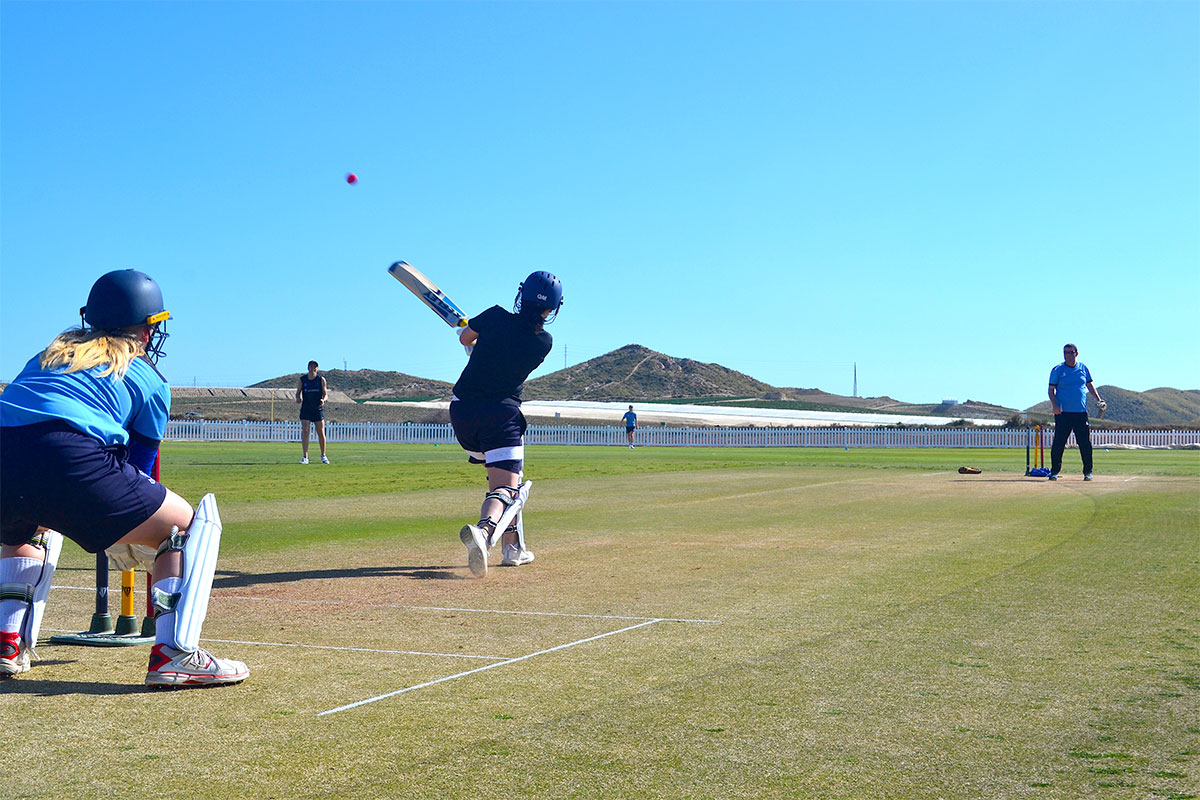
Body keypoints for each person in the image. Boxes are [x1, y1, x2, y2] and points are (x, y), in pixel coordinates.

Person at [0, 269, 248, 687]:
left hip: (5, 457)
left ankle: (7, 643)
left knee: (19, 532)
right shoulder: (148, 376)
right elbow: (140, 468)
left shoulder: (48, 354)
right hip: (72, 457)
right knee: (184, 525)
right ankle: (175, 653)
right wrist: (129, 532)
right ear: (148, 330)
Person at [450, 271, 563, 576]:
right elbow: (506, 357)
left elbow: (465, 338)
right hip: (500, 416)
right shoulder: (543, 342)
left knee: (508, 478)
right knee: (506, 490)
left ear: (520, 295)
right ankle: (485, 533)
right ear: (550, 310)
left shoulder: (494, 316)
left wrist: (476, 340)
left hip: (462, 414)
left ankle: (513, 549)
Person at [1047, 342, 1104, 481]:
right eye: (1065, 353)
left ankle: (1087, 472)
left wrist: (1099, 399)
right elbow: (1051, 390)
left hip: (1080, 412)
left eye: (1070, 352)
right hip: (1063, 413)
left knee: (1084, 443)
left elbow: (1089, 385)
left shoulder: (1083, 368)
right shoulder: (1058, 370)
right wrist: (1055, 405)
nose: (1068, 355)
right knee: (1059, 442)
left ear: (1076, 354)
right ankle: (1054, 472)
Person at [295, 360, 328, 464]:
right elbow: (297, 393)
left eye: (315, 367)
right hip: (306, 408)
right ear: (308, 368)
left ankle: (323, 455)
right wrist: (298, 398)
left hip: (317, 408)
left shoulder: (321, 380)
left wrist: (324, 400)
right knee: (305, 431)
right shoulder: (302, 379)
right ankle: (305, 457)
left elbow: (325, 394)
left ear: (317, 369)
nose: (313, 369)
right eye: (311, 366)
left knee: (320, 432)